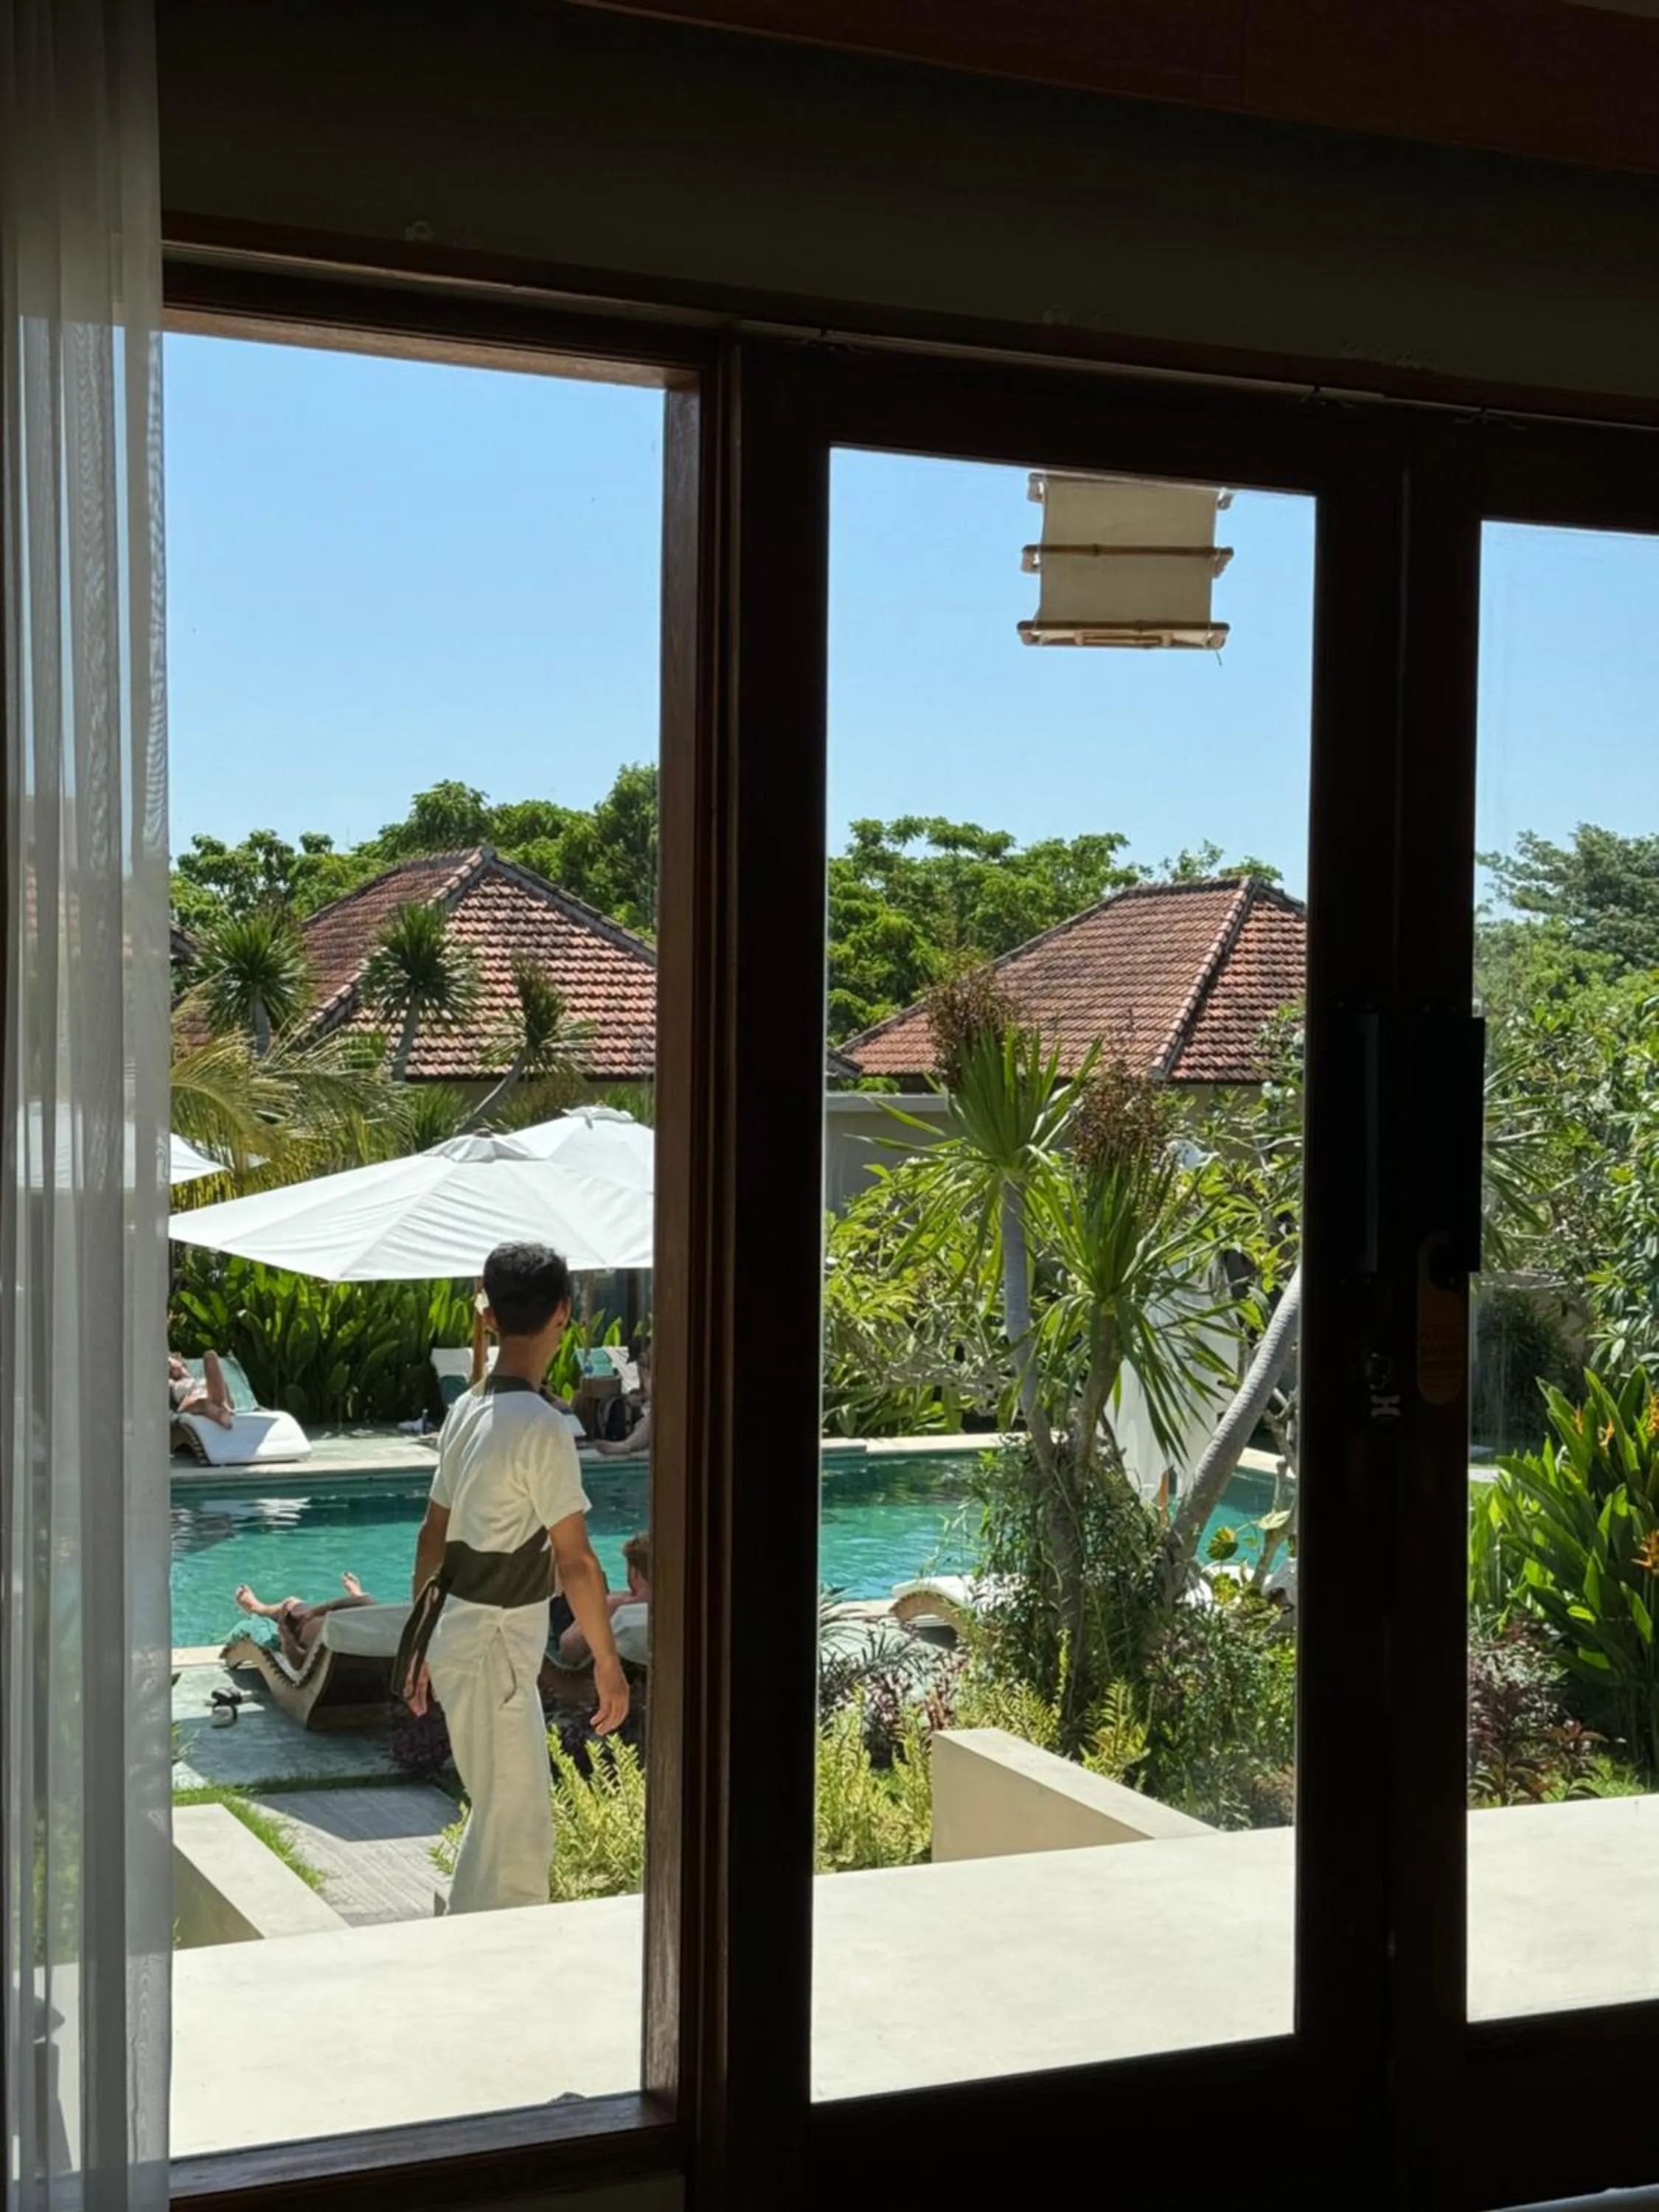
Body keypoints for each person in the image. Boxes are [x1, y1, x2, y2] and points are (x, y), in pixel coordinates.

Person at [399, 1241, 627, 1915]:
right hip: (494, 1646)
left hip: (463, 1639)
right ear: (564, 1313)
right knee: (518, 1831)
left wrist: (418, 1643)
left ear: (490, 1313)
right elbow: (576, 1561)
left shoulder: (468, 1410)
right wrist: (607, 1664)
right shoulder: (541, 1426)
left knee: (503, 1819)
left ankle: (470, 1946)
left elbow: (432, 1536)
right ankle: (492, 1958)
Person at [235, 1573, 375, 1669]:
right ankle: (356, 1598)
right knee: (365, 1608)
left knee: (291, 1603)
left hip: (305, 1623)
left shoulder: (324, 1656)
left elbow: (297, 1664)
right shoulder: (376, 1643)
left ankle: (258, 1609)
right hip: (329, 1625)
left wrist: (285, 1631)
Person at [559, 1533, 650, 1666]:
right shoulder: (674, 1606)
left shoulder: (613, 1607)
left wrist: (599, 1607)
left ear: (635, 1572)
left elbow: (568, 1649)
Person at [587, 1344, 652, 1458]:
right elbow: (643, 1390)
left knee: (651, 1420)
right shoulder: (642, 1369)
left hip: (653, 1409)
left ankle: (626, 1446)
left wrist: (643, 1398)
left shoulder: (654, 1370)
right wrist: (635, 1396)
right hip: (646, 1405)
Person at [170, 1349, 234, 1430]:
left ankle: (219, 1406)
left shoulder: (196, 1379)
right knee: (199, 1399)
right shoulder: (173, 1383)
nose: (169, 1367)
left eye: (170, 1363)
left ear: (181, 1363)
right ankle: (217, 1407)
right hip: (190, 1400)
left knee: (218, 1386)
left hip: (209, 1392)